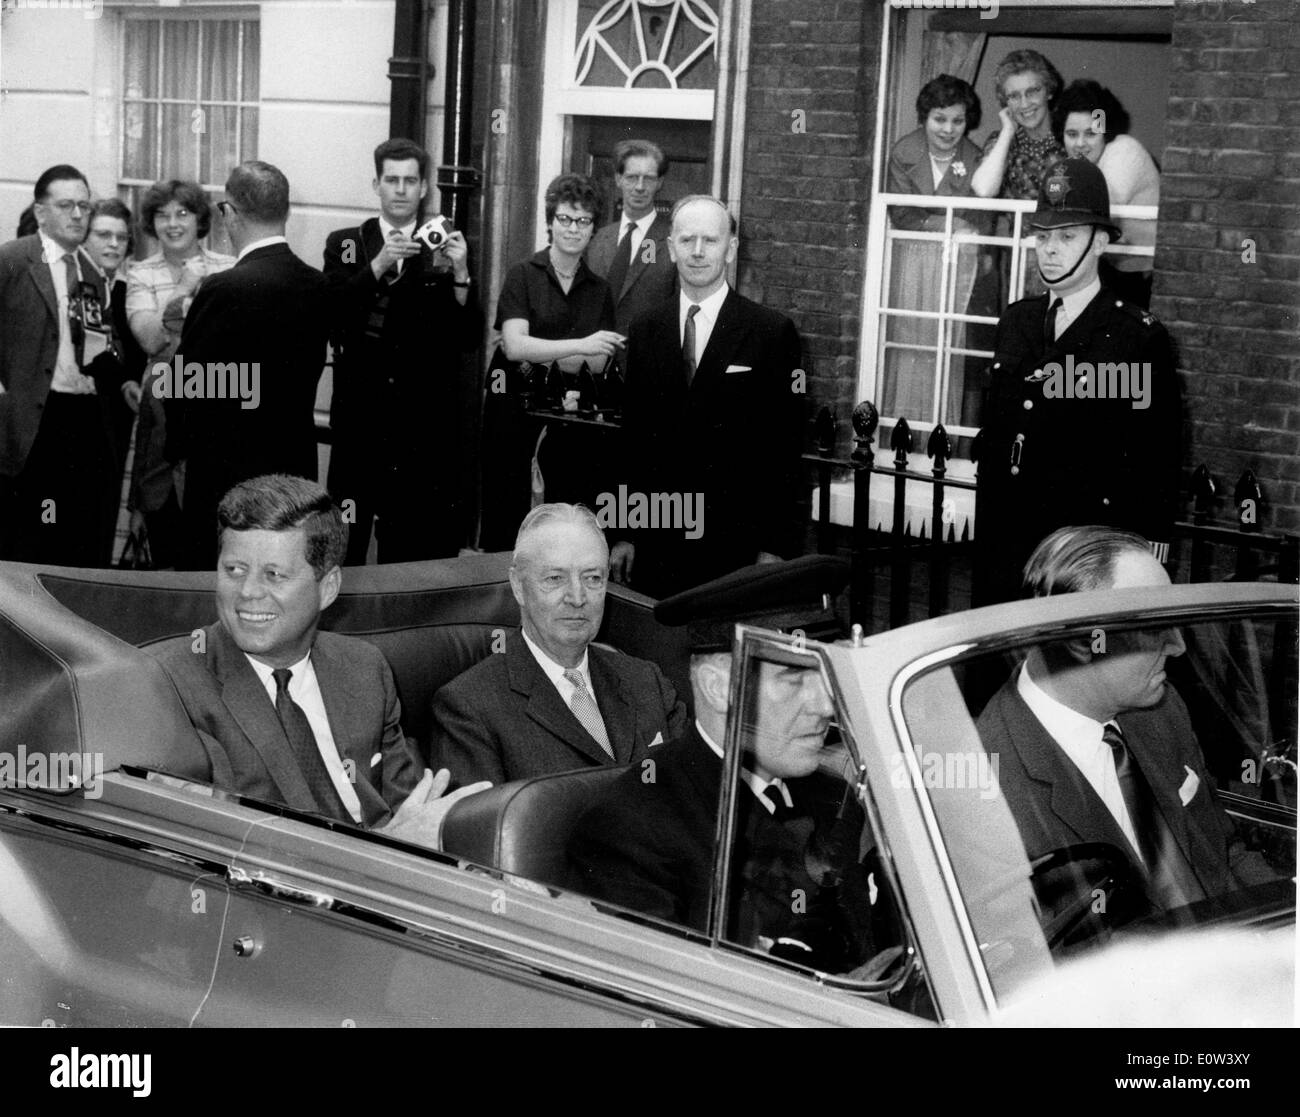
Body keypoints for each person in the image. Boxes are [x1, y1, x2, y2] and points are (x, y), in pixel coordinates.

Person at [569, 557, 895, 975]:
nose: (825, 705)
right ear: (720, 689)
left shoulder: (836, 795)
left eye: (827, 676)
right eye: (794, 681)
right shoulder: (631, 827)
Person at [147, 474, 489, 848]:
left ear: (328, 587)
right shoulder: (167, 683)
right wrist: (384, 851)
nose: (247, 593)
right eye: (234, 570)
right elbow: (224, 848)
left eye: (274, 575)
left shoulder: (364, 668)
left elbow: (407, 808)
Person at [976, 526, 1259, 915]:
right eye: (1154, 627)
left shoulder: (1162, 709)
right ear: (1083, 642)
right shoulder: (979, 788)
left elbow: (1222, 850)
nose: (1178, 645)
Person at [972, 156, 1180, 606]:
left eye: (1067, 237)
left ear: (1100, 243)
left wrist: (1147, 548)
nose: (1050, 249)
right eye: (1042, 236)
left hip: (1080, 558)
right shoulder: (1017, 321)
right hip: (1004, 547)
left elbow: (1154, 456)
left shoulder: (1134, 337)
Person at [609, 195, 804, 598]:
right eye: (687, 240)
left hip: (734, 546)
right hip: (658, 537)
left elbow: (783, 448)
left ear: (731, 249)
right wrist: (625, 533)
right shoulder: (646, 328)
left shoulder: (770, 332)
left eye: (711, 241)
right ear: (671, 249)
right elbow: (633, 439)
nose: (698, 252)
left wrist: (774, 548)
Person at [430, 502, 687, 787]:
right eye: (555, 578)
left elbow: (696, 797)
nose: (577, 597)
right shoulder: (469, 709)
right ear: (518, 585)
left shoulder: (647, 682)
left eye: (592, 578)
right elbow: (481, 830)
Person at [165, 161, 329, 570]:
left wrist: (178, 447)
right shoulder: (316, 285)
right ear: (285, 212)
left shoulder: (224, 288)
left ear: (228, 213)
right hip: (293, 469)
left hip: (226, 478)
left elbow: (187, 386)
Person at [324, 138, 481, 565]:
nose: (400, 189)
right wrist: (376, 265)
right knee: (345, 541)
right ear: (376, 184)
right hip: (360, 422)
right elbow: (333, 315)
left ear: (424, 188)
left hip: (419, 429)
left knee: (409, 546)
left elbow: (466, 339)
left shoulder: (442, 244)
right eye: (391, 180)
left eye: (410, 181)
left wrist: (463, 274)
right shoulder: (347, 243)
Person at [481, 173, 621, 548]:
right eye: (565, 219)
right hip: (513, 410)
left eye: (584, 221)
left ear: (593, 229)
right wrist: (581, 344)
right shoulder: (523, 275)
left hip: (566, 420)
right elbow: (514, 347)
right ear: (549, 221)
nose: (573, 229)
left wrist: (557, 351)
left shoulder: (599, 290)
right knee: (507, 510)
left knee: (563, 514)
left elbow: (597, 363)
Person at [0, 165, 124, 566]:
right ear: (40, 213)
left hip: (80, 418)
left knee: (69, 532)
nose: (77, 215)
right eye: (66, 205)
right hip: (29, 418)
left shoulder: (93, 272)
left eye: (84, 206)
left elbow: (105, 343)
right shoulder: (13, 260)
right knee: (26, 532)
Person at [125, 180, 235, 569]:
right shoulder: (140, 273)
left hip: (215, 417)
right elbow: (151, 340)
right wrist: (185, 288)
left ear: (200, 220)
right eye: (162, 215)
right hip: (160, 428)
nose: (173, 224)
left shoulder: (228, 268)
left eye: (183, 214)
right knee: (166, 546)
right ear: (151, 223)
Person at [883, 74, 989, 426]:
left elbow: (977, 218)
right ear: (924, 118)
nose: (948, 129)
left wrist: (953, 224)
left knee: (950, 344)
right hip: (913, 262)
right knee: (910, 342)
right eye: (939, 119)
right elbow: (902, 214)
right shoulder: (904, 152)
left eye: (957, 120)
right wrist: (947, 223)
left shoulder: (975, 159)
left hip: (958, 266)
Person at [1053, 80, 1160, 309]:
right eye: (1072, 134)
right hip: (1115, 266)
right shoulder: (1081, 164)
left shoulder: (1124, 149)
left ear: (1105, 131)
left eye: (1091, 133)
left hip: (1145, 275)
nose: (1080, 143)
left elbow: (1098, 209)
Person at [82, 198, 149, 547]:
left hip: (123, 426)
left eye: (121, 238)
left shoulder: (128, 293)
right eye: (103, 235)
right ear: (85, 237)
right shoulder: (77, 287)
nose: (112, 244)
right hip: (81, 423)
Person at [585, 139, 677, 336]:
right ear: (618, 179)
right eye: (632, 177)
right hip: (596, 357)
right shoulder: (598, 239)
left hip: (648, 360)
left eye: (649, 178)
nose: (640, 187)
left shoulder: (672, 242)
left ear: (660, 182)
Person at [971, 49, 1067, 204]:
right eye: (1014, 96)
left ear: (1048, 91)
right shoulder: (1001, 141)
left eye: (1032, 92)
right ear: (1005, 102)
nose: (1024, 104)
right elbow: (983, 190)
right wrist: (1007, 132)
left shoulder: (1070, 135)